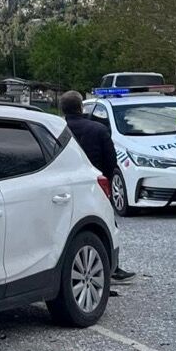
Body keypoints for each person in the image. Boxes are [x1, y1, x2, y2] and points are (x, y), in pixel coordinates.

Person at [60, 91, 135, 281]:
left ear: (63, 109)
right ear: (81, 108)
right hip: (94, 184)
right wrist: (107, 180)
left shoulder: (56, 130)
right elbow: (111, 160)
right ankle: (111, 267)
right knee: (106, 225)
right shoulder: (98, 129)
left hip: (62, 185)